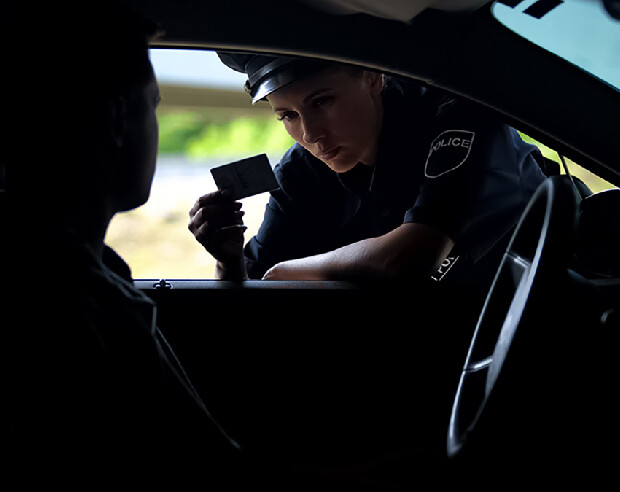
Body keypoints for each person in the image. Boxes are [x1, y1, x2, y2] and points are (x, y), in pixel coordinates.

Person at [2, 4, 244, 485]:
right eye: (152, 106)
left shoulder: (72, 272)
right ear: (116, 121)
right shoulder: (66, 305)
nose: (156, 126)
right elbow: (217, 472)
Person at [188, 54, 547, 289]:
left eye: (322, 101)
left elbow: (411, 259)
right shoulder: (302, 171)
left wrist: (287, 273)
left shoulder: (455, 120)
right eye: (288, 116)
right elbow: (252, 287)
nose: (310, 135)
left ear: (373, 77)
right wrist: (229, 261)